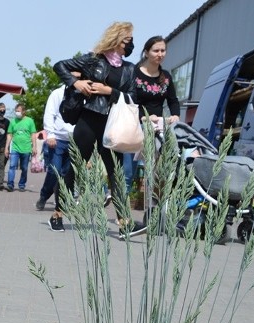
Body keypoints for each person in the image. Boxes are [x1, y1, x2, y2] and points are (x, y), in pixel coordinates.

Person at [52, 21, 145, 236]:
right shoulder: (93, 60)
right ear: (116, 40)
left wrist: (108, 90)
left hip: (114, 124)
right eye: (127, 40)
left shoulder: (130, 69)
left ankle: (124, 223)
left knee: (116, 174)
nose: (130, 45)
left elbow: (134, 97)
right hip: (89, 120)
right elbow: (59, 66)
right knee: (75, 169)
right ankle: (58, 212)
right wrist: (76, 83)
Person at [123, 35, 181, 191]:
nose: (160, 54)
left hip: (157, 127)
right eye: (156, 50)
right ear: (146, 52)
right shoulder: (133, 72)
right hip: (135, 125)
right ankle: (122, 214)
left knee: (156, 171)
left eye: (163, 50)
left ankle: (154, 208)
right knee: (128, 171)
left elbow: (173, 100)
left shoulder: (166, 76)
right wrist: (144, 117)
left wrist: (175, 115)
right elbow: (129, 100)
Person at [36, 85, 75, 210]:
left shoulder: (84, 93)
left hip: (74, 141)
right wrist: (50, 135)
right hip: (57, 139)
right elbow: (49, 114)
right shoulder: (58, 93)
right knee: (55, 171)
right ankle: (44, 195)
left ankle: (61, 202)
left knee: (67, 173)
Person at [4, 104, 37, 192]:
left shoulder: (30, 121)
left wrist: (34, 147)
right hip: (15, 148)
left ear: (23, 111)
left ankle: (22, 184)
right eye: (16, 110)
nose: (17, 112)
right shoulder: (12, 121)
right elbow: (9, 135)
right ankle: (10, 184)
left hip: (26, 149)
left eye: (19, 110)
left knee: (24, 168)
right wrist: (6, 148)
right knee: (12, 166)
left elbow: (33, 134)